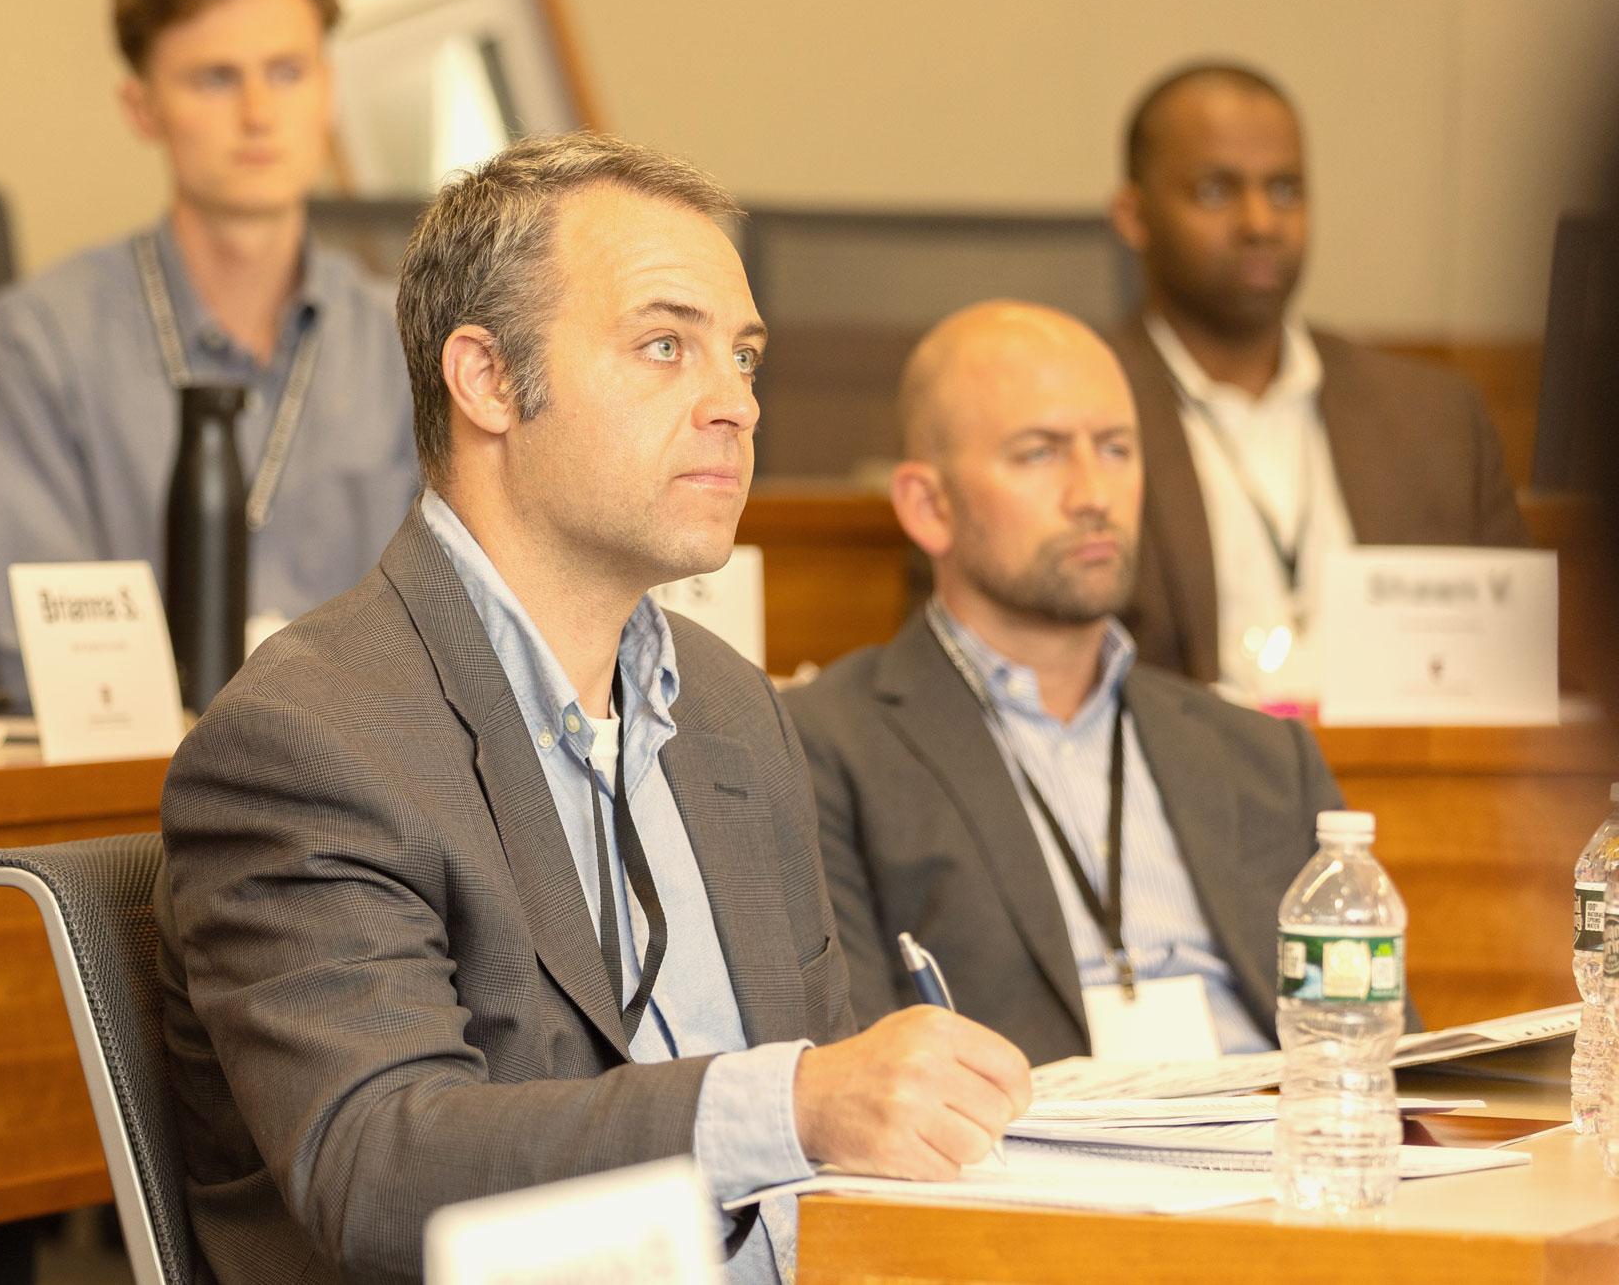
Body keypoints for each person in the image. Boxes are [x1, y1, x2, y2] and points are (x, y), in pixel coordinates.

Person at [153, 133, 1031, 1284]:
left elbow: (832, 1147)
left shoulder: (730, 712)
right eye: (665, 346)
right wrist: (793, 1105)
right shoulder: (311, 740)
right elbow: (378, 1167)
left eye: (744, 359)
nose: (734, 405)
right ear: (487, 381)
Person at [787, 302, 1347, 1066]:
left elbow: (1378, 1057)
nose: (1094, 494)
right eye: (1040, 454)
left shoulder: (1265, 757)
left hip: (1286, 1152)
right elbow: (856, 1077)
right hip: (1029, 1165)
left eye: (1116, 449)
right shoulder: (821, 749)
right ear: (929, 506)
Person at [0, 0, 417, 706]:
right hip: (130, 805)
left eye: (287, 71)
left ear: (328, 90)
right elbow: (38, 659)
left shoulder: (417, 342)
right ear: (142, 108)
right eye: (214, 78)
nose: (259, 113)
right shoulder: (35, 344)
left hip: (378, 801)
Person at [1105, 61, 1527, 701]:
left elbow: (1520, 670)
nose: (1260, 223)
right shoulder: (1074, 412)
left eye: (1284, 190)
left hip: (1406, 786)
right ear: (1133, 216)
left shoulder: (1434, 419)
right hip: (1175, 790)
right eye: (1217, 191)